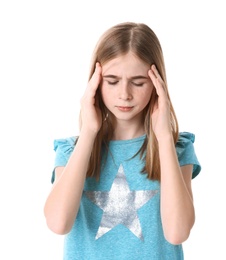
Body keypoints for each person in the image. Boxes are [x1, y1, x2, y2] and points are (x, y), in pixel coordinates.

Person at [44, 22, 201, 260]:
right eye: (112, 81)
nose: (124, 93)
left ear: (157, 83)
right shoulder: (71, 151)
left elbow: (177, 232)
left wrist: (164, 137)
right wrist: (88, 131)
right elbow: (58, 223)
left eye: (138, 82)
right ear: (95, 83)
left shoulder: (176, 149)